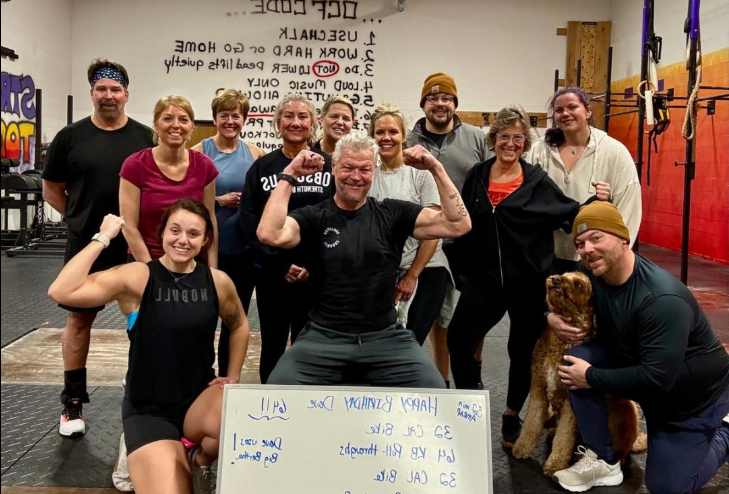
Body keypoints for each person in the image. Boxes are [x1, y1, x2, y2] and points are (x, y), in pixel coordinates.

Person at [48, 199, 250, 494]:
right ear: (162, 233)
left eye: (193, 234)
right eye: (175, 230)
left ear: (205, 240)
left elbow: (239, 325)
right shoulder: (138, 277)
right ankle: (135, 451)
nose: (183, 240)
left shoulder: (217, 282)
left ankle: (200, 459)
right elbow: (60, 291)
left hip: (198, 399)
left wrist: (233, 375)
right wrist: (103, 237)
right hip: (149, 409)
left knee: (242, 413)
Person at [446, 106, 611, 448]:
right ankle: (468, 406)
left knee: (521, 351)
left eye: (518, 138)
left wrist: (599, 203)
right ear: (493, 139)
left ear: (525, 142)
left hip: (529, 283)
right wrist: (461, 267)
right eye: (504, 136)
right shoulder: (477, 175)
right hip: (485, 282)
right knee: (459, 341)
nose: (510, 143)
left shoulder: (536, 181)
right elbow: (463, 221)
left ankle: (511, 416)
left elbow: (571, 212)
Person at [256, 133, 471, 387]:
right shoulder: (314, 217)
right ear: (334, 167)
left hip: (385, 337)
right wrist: (290, 173)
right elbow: (269, 233)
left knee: (431, 386)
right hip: (323, 337)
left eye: (365, 169)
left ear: (374, 171)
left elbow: (458, 224)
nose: (356, 177)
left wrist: (436, 168)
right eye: (347, 168)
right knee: (279, 384)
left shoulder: (392, 213)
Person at [552, 202, 729, 494]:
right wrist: (550, 317)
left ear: (624, 239)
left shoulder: (662, 299)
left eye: (596, 238)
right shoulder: (592, 272)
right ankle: (605, 461)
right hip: (644, 375)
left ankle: (725, 433)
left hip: (691, 401)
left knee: (667, 487)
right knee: (574, 360)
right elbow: (556, 291)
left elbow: (657, 380)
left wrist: (592, 376)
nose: (587, 249)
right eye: (580, 243)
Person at [41, 58, 154, 437]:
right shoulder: (69, 137)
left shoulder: (144, 137)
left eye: (115, 89)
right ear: (92, 93)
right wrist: (80, 220)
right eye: (102, 89)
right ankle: (72, 400)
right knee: (78, 320)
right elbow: (51, 190)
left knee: (143, 320)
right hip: (86, 245)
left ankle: (141, 388)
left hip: (134, 244)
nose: (109, 95)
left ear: (126, 94)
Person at [238, 93, 333, 384]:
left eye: (303, 117)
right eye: (288, 116)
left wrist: (314, 264)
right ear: (278, 123)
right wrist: (279, 265)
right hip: (273, 274)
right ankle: (271, 401)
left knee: (312, 345)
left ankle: (310, 404)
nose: (295, 122)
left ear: (313, 124)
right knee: (273, 344)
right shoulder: (262, 167)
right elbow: (249, 220)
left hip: (317, 275)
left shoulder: (329, 166)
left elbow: (339, 218)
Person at [407, 72, 490, 387]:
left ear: (455, 103)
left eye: (446, 98)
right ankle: (441, 380)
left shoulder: (477, 138)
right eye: (433, 98)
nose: (440, 104)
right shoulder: (409, 141)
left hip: (468, 241)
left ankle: (472, 376)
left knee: (475, 313)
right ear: (423, 103)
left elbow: (494, 179)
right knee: (438, 315)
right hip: (426, 240)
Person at [526, 86, 642, 274]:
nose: (565, 113)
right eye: (559, 110)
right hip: (547, 255)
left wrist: (618, 254)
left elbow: (629, 206)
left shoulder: (614, 152)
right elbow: (527, 197)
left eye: (572, 107)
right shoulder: (540, 150)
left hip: (595, 259)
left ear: (588, 111)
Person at [191, 88, 264, 377]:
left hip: (243, 250)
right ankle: (198, 374)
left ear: (244, 119)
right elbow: (186, 199)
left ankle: (225, 378)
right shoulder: (199, 152)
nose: (230, 121)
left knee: (234, 316)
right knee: (202, 316)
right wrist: (218, 201)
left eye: (236, 116)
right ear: (215, 118)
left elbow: (263, 198)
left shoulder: (255, 153)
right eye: (224, 115)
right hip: (208, 250)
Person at [367, 103, 452, 350]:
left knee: (408, 344)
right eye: (380, 132)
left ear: (403, 136)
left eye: (393, 132)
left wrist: (412, 275)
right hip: (386, 270)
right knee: (382, 343)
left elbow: (434, 230)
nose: (386, 138)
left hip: (426, 269)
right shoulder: (368, 176)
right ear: (372, 136)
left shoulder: (420, 174)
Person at [120, 95, 219, 267]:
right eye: (167, 118)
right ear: (156, 125)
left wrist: (212, 269)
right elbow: (129, 226)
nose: (176, 125)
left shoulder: (205, 166)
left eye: (183, 120)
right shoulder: (135, 165)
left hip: (191, 263)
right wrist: (153, 271)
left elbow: (210, 220)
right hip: (145, 262)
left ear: (191, 127)